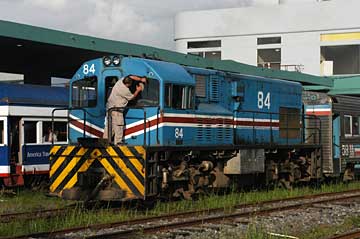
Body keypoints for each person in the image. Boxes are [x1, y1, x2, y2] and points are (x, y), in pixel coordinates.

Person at [103, 75, 146, 144]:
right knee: (119, 125)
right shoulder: (125, 90)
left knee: (110, 126)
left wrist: (141, 79)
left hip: (109, 107)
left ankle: (105, 142)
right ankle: (118, 142)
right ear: (128, 84)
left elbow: (131, 76)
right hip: (116, 109)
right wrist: (138, 90)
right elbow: (132, 98)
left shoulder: (119, 82)